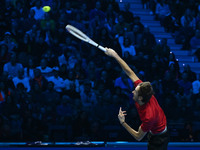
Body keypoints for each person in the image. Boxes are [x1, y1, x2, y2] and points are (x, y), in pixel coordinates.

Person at [105, 48, 169, 150]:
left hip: (159, 139)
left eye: (135, 90)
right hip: (153, 128)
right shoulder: (144, 93)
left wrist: (123, 122)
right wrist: (115, 55)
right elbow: (129, 72)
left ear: (140, 97)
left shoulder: (149, 116)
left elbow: (138, 137)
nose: (132, 91)